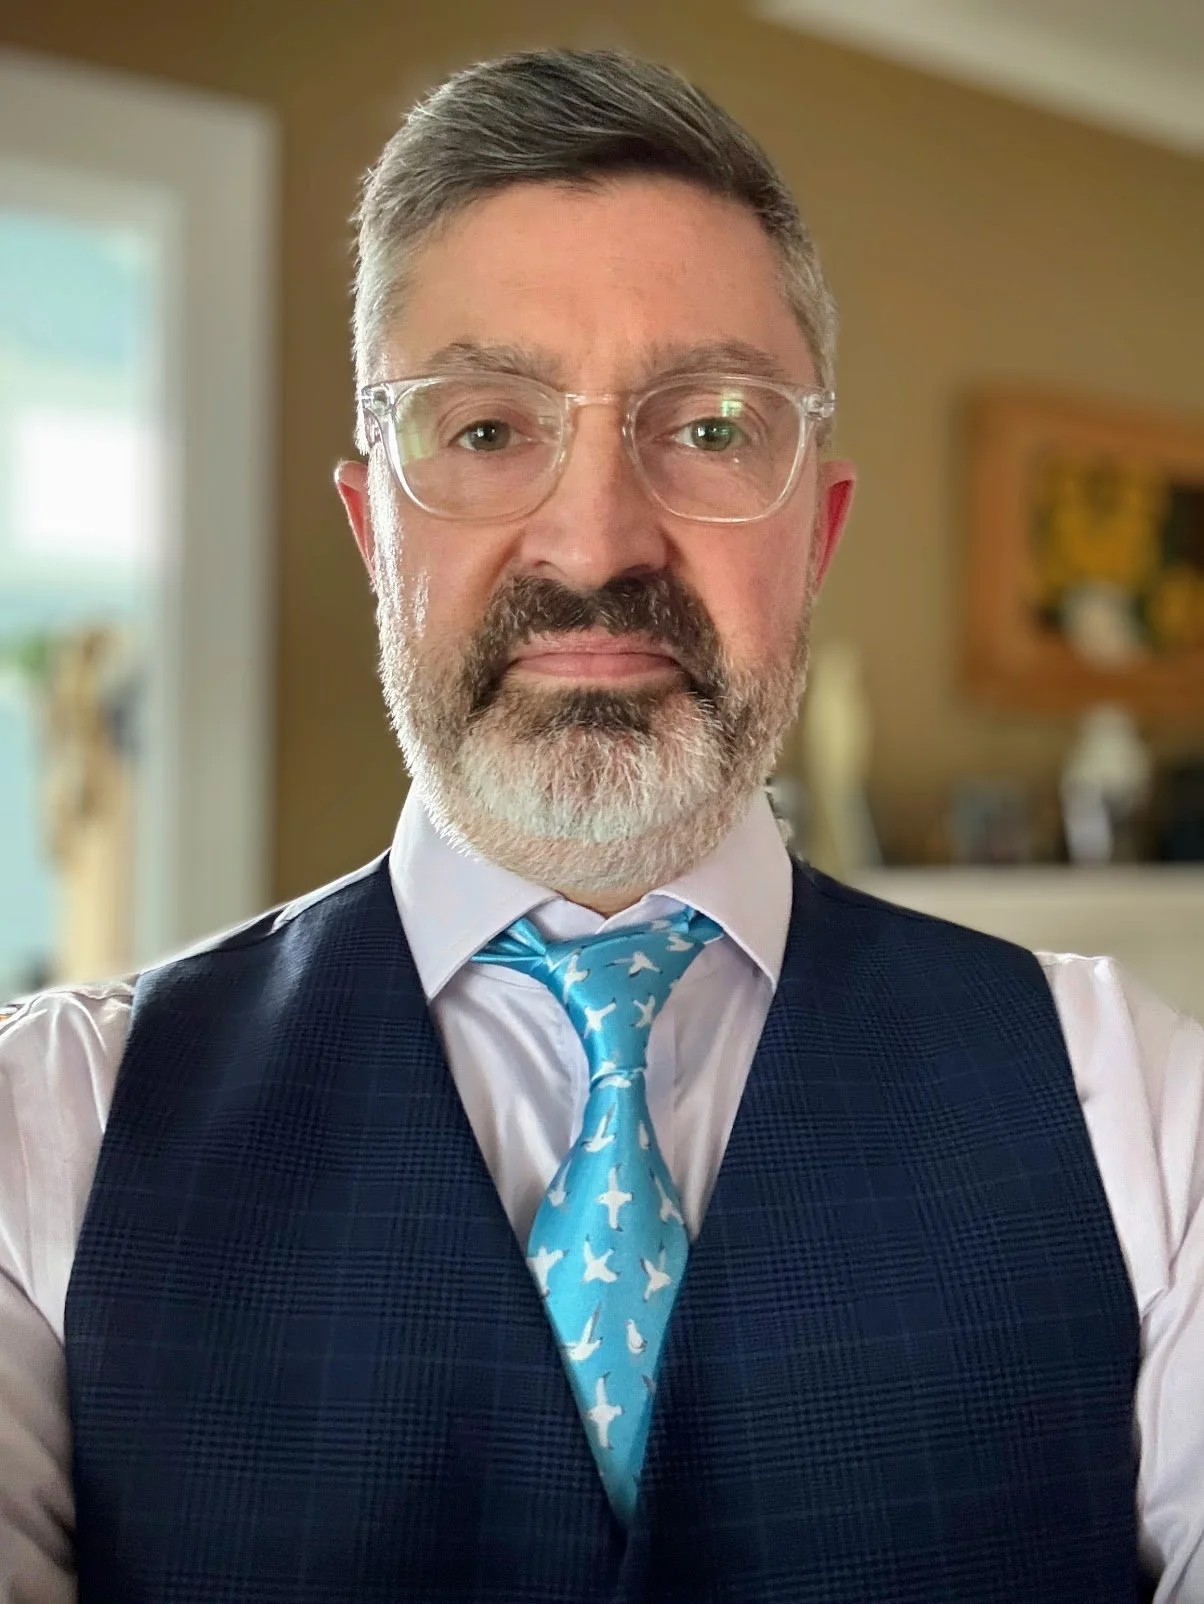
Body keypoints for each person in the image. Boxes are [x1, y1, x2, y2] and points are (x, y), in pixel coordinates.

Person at [1, 47, 1201, 1604]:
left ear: (816, 531)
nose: (594, 538)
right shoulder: (45, 1140)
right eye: (487, 428)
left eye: (708, 428)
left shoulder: (1150, 1120)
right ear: (376, 530)